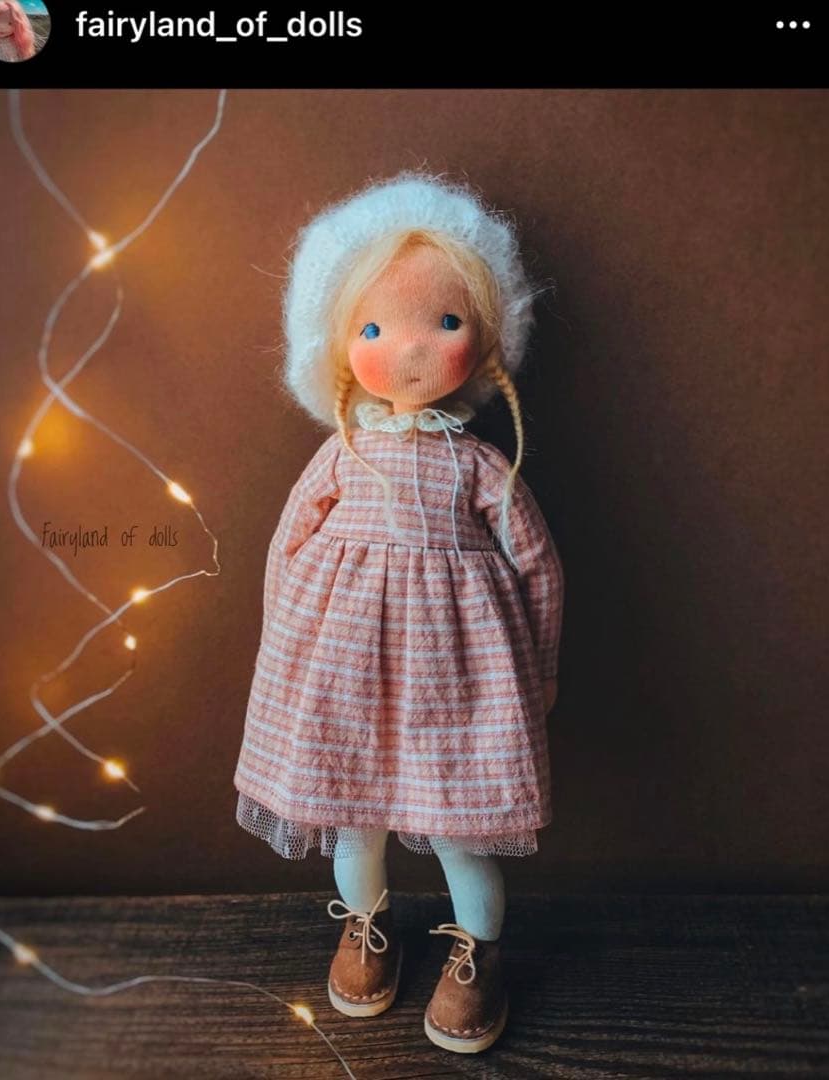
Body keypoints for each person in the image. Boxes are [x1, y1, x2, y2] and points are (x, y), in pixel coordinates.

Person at [233, 171, 564, 1053]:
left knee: (460, 831)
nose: (410, 348)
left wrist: (537, 673)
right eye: (375, 329)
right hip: (346, 676)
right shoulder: (342, 455)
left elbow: (536, 564)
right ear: (339, 347)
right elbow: (288, 549)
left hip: (453, 685)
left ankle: (478, 952)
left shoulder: (477, 467)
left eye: (443, 321)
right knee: (356, 820)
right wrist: (284, 661)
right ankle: (365, 927)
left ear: (485, 339)